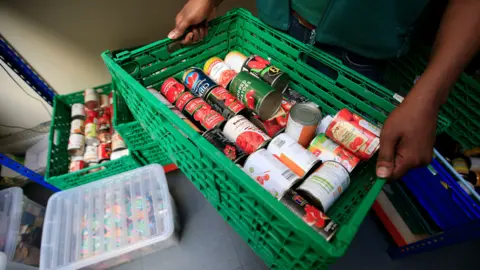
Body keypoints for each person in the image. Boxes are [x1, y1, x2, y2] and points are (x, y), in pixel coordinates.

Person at [168, 0, 480, 180]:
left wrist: (429, 97)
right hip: (275, 25)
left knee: (340, 165)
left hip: (363, 55)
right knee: (261, 131)